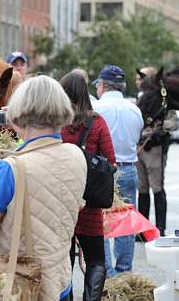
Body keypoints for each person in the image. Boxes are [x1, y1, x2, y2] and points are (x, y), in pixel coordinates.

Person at [0, 75, 87, 301]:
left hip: (21, 285)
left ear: (18, 113)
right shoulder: (76, 156)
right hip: (60, 279)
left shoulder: (11, 168)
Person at [60, 71, 115, 301]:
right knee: (96, 259)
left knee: (64, 260)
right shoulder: (97, 122)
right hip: (90, 202)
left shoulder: (56, 122)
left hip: (61, 201)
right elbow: (111, 162)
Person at [92, 65, 143, 277]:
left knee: (100, 221)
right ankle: (124, 273)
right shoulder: (135, 109)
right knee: (126, 223)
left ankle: (107, 272)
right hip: (129, 168)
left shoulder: (97, 108)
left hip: (103, 169)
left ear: (102, 85)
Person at [135, 67, 177, 237]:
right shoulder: (138, 99)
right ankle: (143, 230)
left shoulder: (163, 99)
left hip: (155, 148)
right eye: (138, 78)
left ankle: (160, 228)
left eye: (142, 77)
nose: (138, 81)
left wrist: (157, 126)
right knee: (142, 188)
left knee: (157, 187)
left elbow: (173, 123)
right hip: (139, 149)